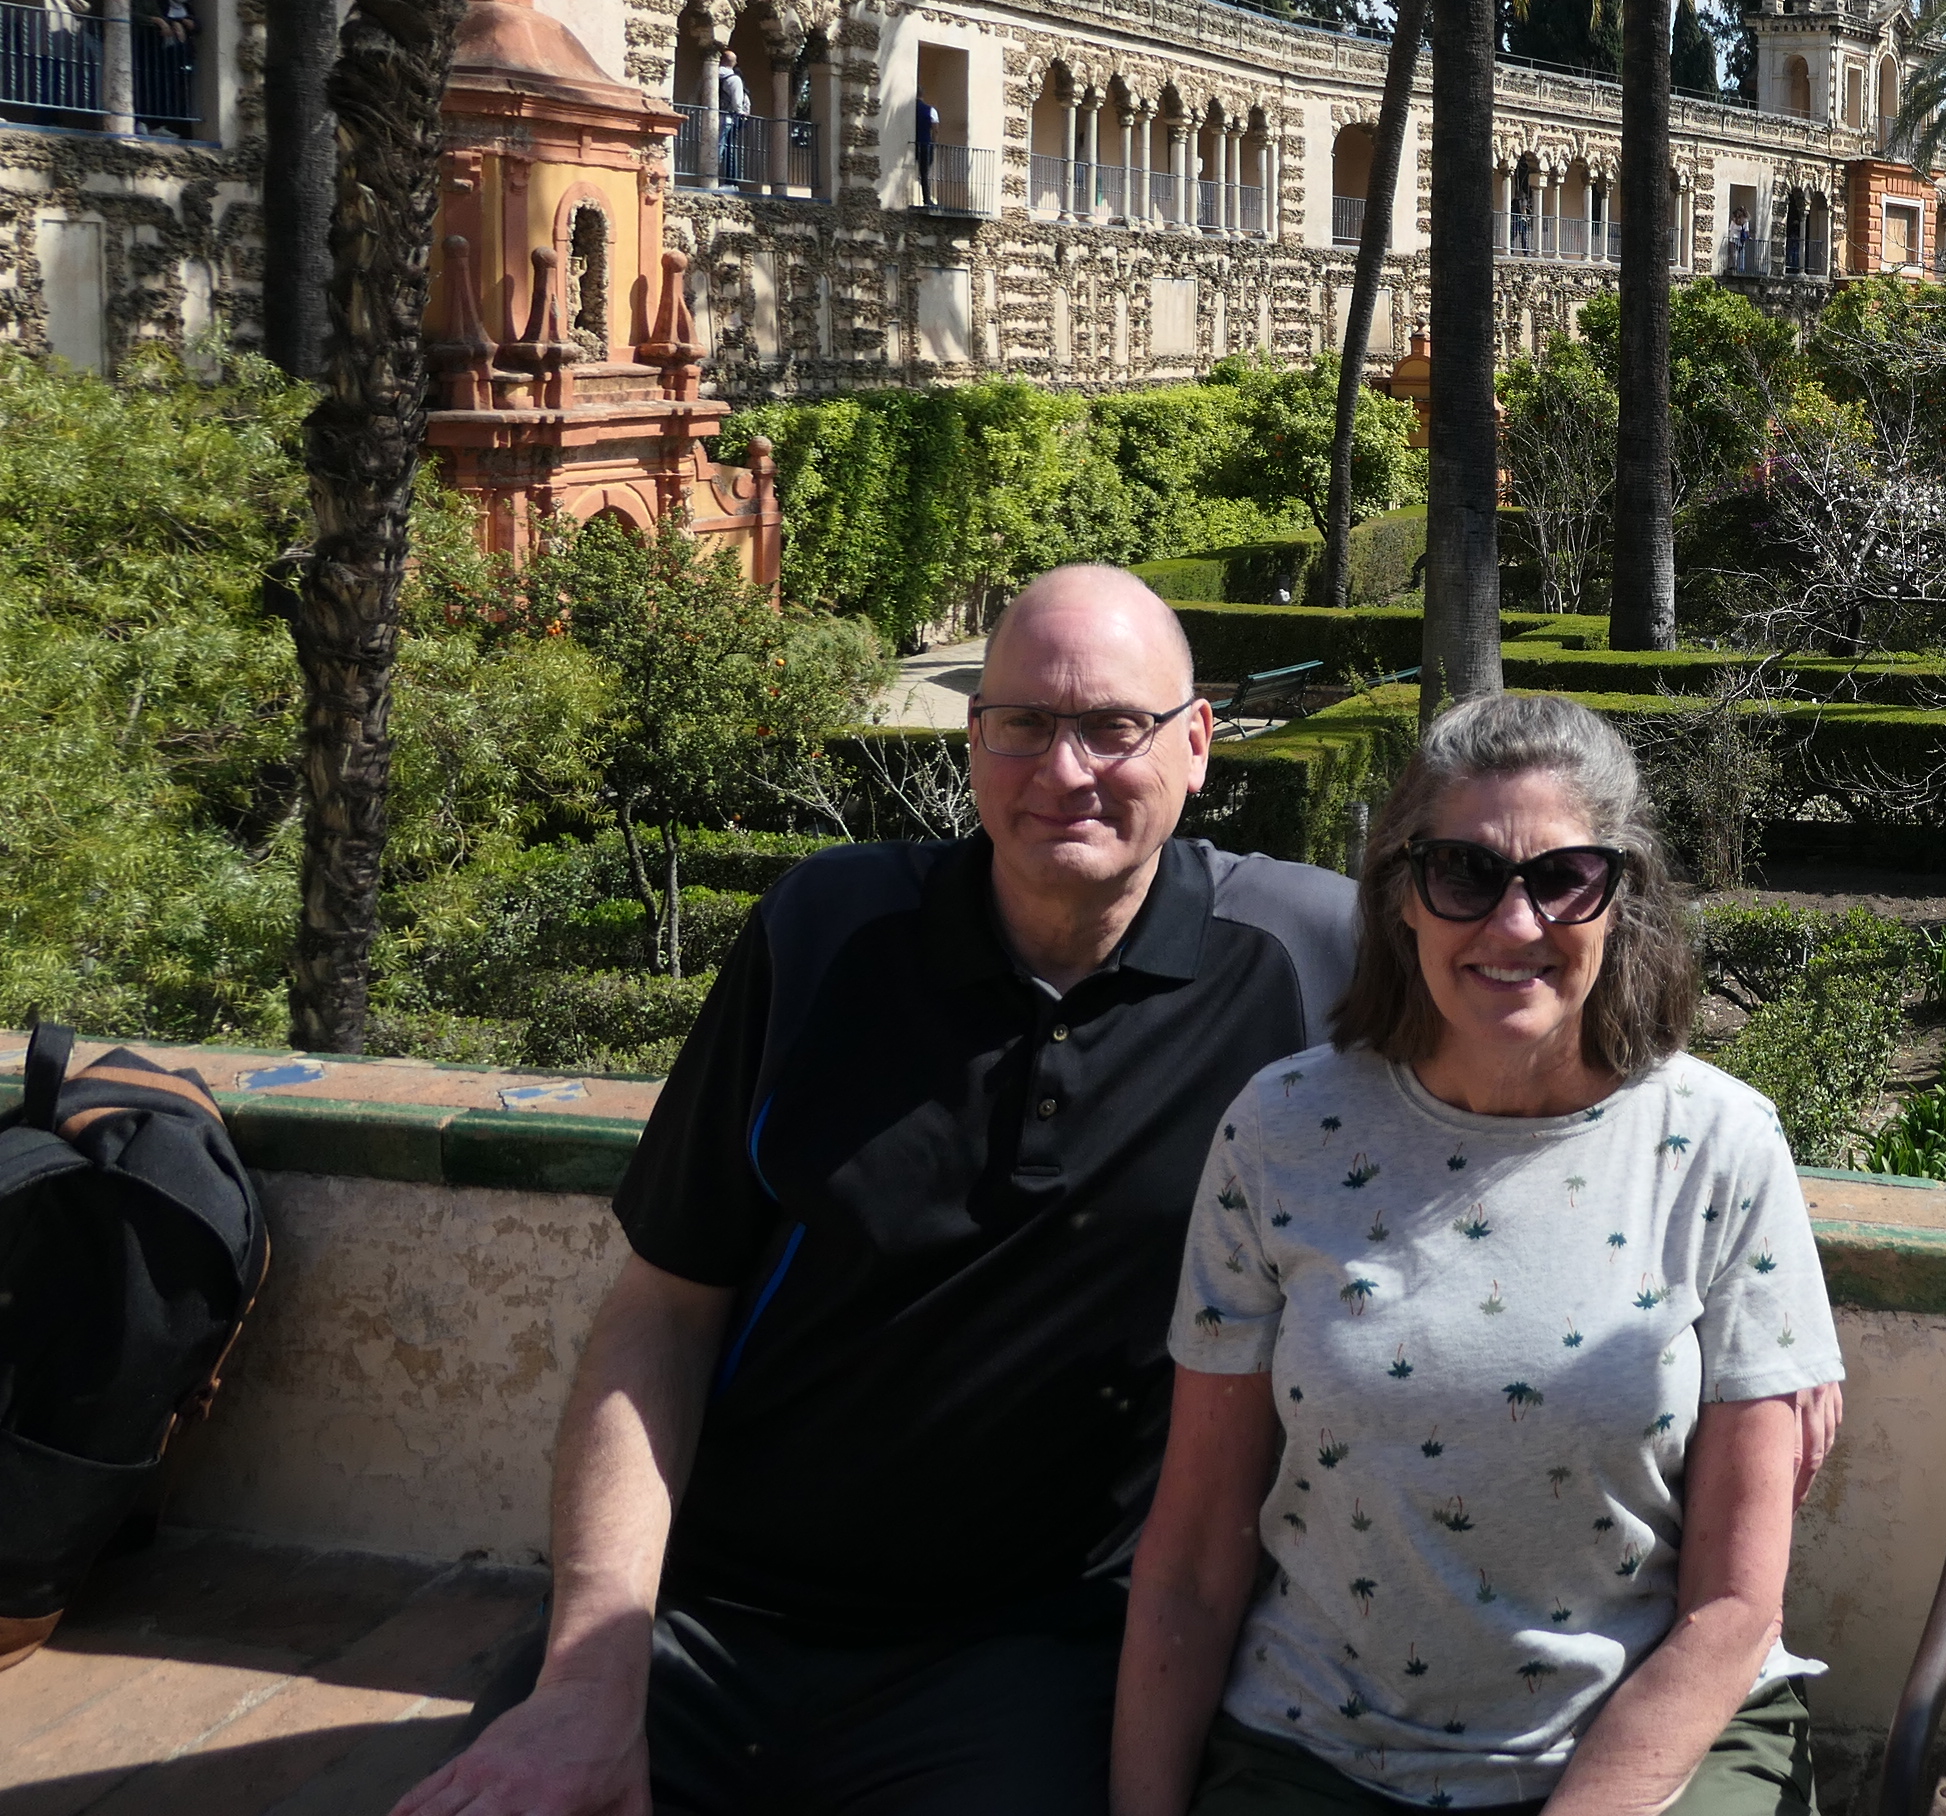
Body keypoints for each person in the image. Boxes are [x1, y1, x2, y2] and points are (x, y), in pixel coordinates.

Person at [398, 565, 1361, 1816]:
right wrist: (590, 1672)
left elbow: (1526, 1036)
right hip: (711, 1616)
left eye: (1114, 726)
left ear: (1197, 743)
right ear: (972, 740)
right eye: (1022, 724)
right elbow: (664, 1311)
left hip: (1033, 1652)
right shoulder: (825, 935)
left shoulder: (1303, 961)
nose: (1064, 770)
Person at [1115, 696, 1842, 1816]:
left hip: (1652, 1734)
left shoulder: (1719, 1146)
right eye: (1464, 873)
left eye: (1565, 879)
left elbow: (1735, 1608)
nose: (1514, 924)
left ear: (1620, 901)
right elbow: (1196, 1555)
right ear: (1402, 895)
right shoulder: (1282, 1132)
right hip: (1319, 1751)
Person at [713, 49, 750, 185]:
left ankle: (709, 178)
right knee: (724, 147)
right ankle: (727, 181)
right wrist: (741, 113)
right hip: (727, 118)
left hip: (711, 117)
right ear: (734, 63)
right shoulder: (734, 79)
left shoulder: (710, 75)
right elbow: (736, 102)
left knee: (713, 147)